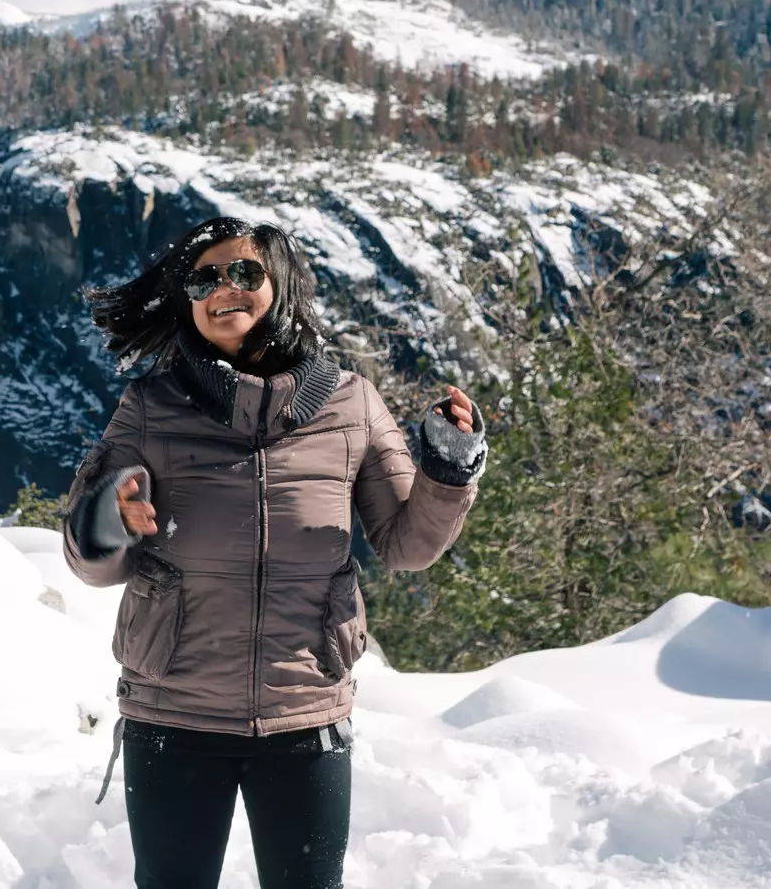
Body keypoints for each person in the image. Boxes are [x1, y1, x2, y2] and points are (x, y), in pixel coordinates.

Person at [63, 216, 487, 889]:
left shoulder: (351, 405)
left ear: (281, 282)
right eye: (204, 277)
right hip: (174, 710)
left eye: (244, 272)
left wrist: (447, 468)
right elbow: (93, 563)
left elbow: (405, 544)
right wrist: (105, 520)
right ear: (187, 300)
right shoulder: (151, 406)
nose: (225, 287)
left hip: (304, 712)